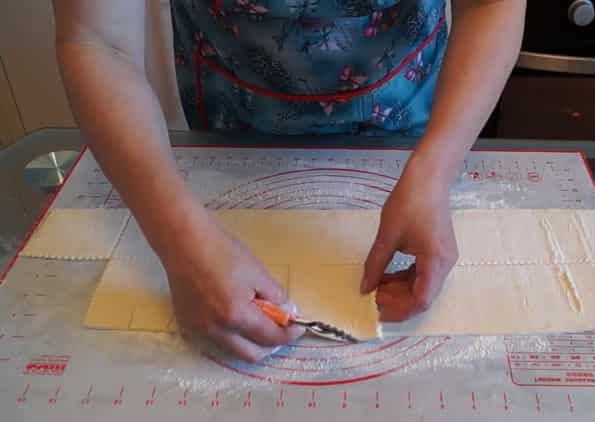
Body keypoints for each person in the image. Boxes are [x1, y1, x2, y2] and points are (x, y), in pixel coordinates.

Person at [53, 0, 525, 362]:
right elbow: (97, 42)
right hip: (230, 117)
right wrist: (178, 240)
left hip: (413, 111)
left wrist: (435, 169)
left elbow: (491, 4)